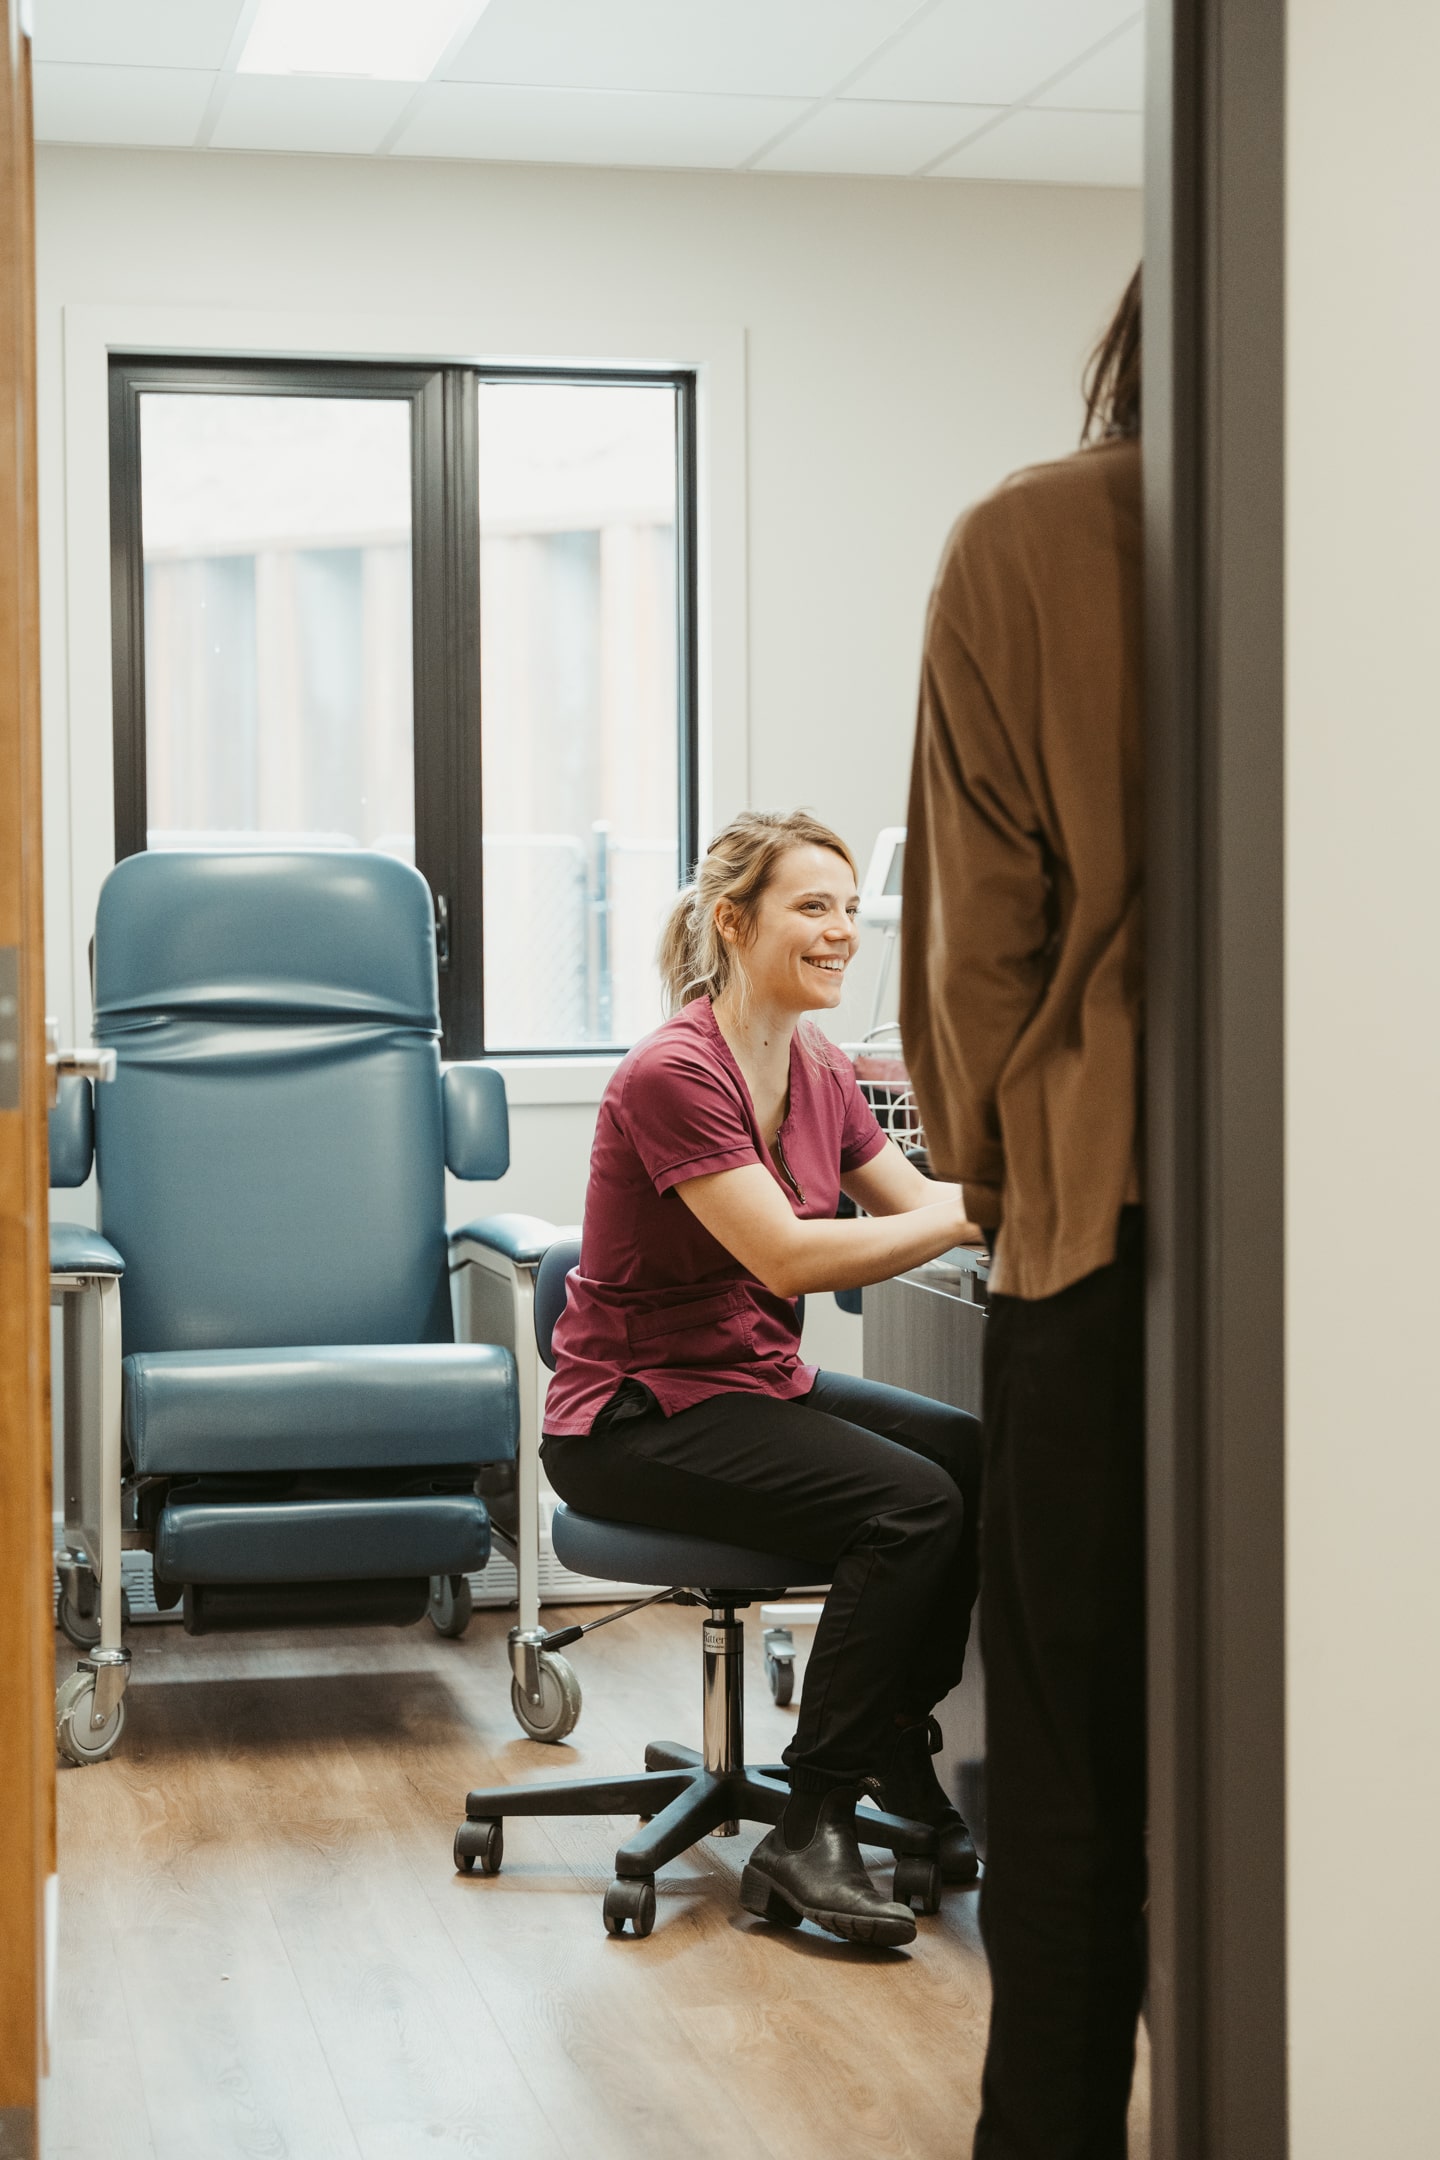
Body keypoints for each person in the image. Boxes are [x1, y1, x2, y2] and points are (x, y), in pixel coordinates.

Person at [541, 807, 987, 1948]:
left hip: (746, 1387)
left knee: (971, 1460)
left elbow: (917, 1207)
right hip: (631, 1421)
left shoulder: (820, 1066)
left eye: (847, 908)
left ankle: (886, 1729)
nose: (842, 932)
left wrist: (1031, 1198)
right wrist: (979, 1213)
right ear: (734, 923)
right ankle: (813, 1818)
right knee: (912, 1503)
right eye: (812, 907)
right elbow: (786, 1253)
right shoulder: (673, 1073)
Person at [901, 269, 1145, 2155]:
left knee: (1068, 1774)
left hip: (1108, 1235)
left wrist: (1004, 1179)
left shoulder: (1037, 540)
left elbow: (978, 947)